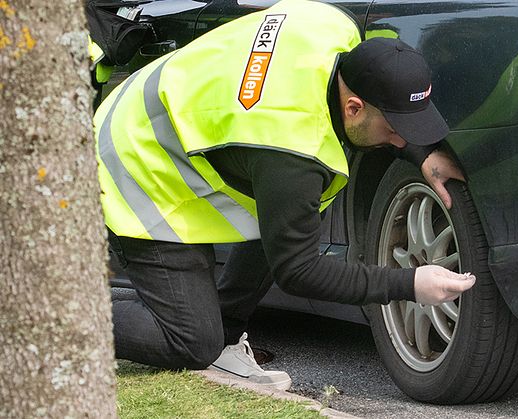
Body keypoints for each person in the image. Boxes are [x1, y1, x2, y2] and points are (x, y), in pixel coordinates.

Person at [95, 0, 475, 391]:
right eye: (395, 129)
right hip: (134, 161)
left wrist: (422, 152)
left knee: (289, 219)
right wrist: (409, 284)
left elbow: (380, 110)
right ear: (353, 107)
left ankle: (225, 334)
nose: (399, 139)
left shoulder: (333, 25)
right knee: (192, 341)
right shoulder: (290, 147)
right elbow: (299, 270)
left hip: (167, 109)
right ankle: (51, 317)